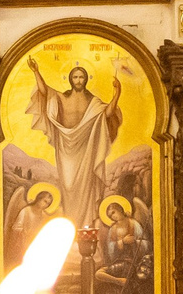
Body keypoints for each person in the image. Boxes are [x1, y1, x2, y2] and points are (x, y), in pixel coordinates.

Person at [23, 62, 123, 231]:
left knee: (87, 187)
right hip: (65, 149)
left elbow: (107, 114)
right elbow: (44, 92)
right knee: (68, 186)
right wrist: (36, 71)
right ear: (70, 79)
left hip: (87, 148)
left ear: (86, 80)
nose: (78, 80)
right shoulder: (61, 98)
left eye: (81, 77)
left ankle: (86, 226)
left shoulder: (93, 102)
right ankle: (70, 224)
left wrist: (117, 93)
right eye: (75, 77)